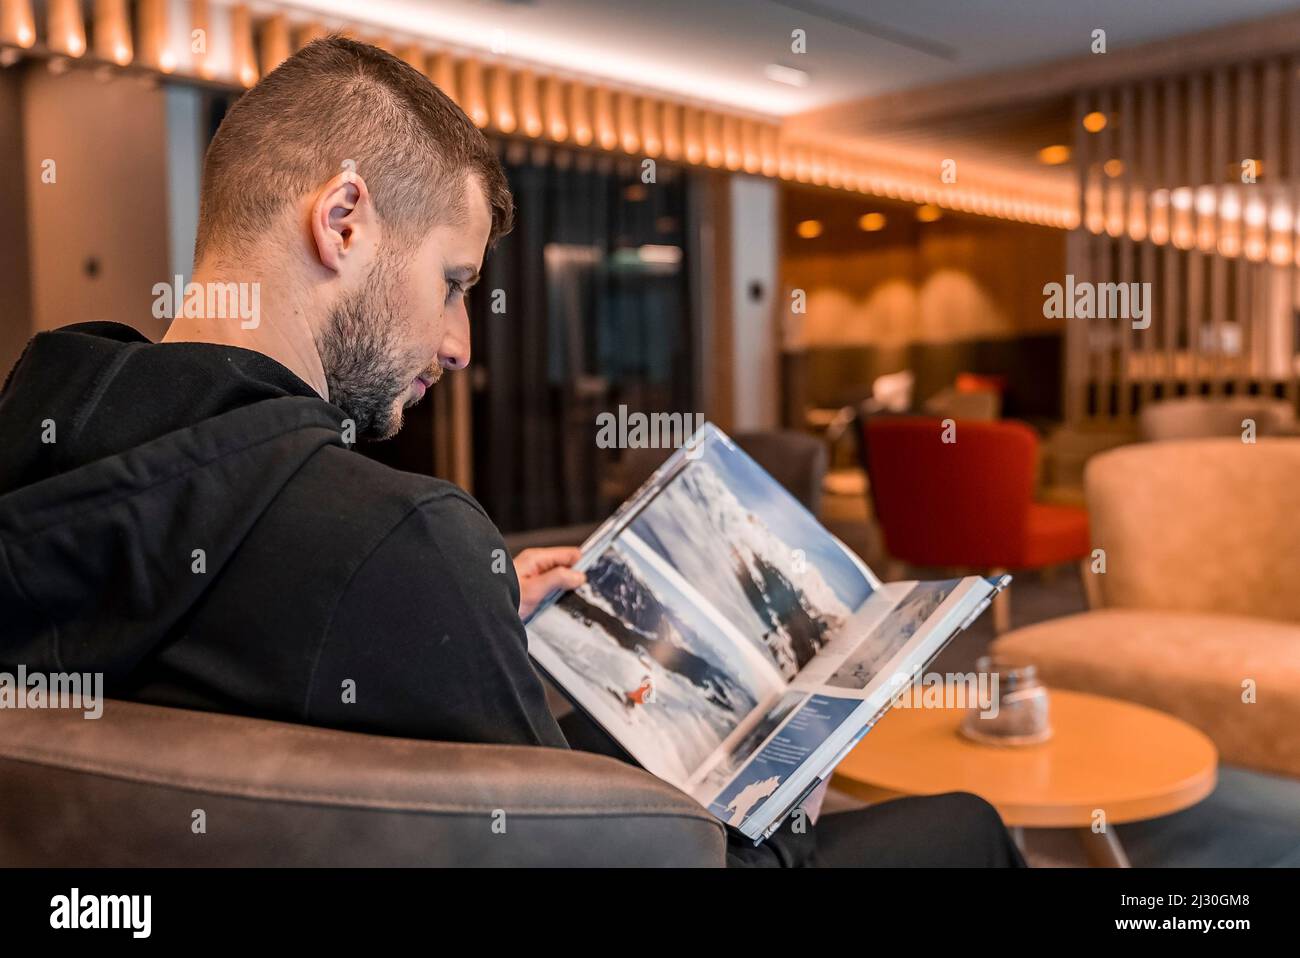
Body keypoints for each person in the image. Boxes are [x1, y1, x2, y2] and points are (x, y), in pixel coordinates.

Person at [0, 37, 1021, 868]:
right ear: (344, 220)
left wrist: (460, 613)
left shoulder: (43, 446)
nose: (459, 343)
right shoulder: (395, 538)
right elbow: (591, 855)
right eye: (451, 281)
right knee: (963, 823)